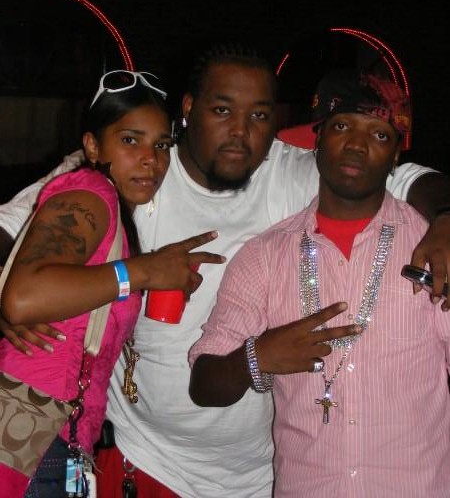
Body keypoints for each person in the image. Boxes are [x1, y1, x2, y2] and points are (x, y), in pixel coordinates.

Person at [1, 45, 450, 497]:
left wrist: (446, 220)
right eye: (222, 110)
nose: (240, 131)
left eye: (259, 116)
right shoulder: (136, 168)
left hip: (261, 473)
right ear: (189, 109)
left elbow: (403, 177)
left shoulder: (295, 172)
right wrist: (8, 300)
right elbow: (12, 226)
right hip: (148, 457)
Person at [189, 69, 450, 497]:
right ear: (318, 139)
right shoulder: (264, 256)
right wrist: (258, 356)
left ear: (396, 156)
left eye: (379, 134)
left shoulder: (431, 247)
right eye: (342, 126)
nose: (357, 145)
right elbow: (204, 385)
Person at [0, 70, 223, 497]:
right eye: (130, 140)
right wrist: (144, 272)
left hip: (55, 433)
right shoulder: (90, 192)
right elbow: (24, 297)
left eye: (162, 145)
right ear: (92, 146)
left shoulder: (114, 212)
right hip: (32, 429)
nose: (150, 159)